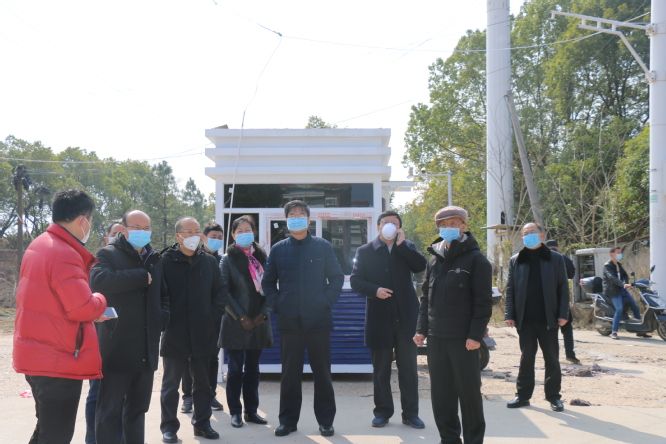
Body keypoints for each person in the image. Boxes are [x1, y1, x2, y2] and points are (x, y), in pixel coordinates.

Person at [13, 190, 108, 444]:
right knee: (56, 435)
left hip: (40, 354)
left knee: (46, 431)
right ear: (83, 220)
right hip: (58, 359)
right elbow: (83, 308)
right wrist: (100, 298)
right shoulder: (65, 253)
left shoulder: (40, 244)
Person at [262, 200, 344, 438]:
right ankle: (287, 421)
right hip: (290, 323)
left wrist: (325, 301)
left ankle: (326, 421)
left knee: (322, 374)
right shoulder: (278, 249)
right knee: (289, 374)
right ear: (286, 219)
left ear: (309, 220)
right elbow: (268, 282)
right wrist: (279, 305)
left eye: (301, 214)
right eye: (292, 214)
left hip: (319, 321)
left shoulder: (322, 246)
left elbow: (336, 278)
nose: (296, 217)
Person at [413, 206, 492, 444]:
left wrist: (475, 336)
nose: (449, 228)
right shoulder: (434, 259)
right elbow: (426, 297)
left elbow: (483, 302)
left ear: (464, 226)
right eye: (444, 225)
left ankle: (474, 440)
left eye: (454, 224)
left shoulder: (477, 260)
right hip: (437, 338)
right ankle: (448, 439)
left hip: (464, 340)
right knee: (441, 395)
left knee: (469, 395)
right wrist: (421, 329)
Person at [90, 210, 167, 444]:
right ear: (123, 229)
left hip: (146, 350)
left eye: (146, 228)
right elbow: (98, 281)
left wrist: (162, 319)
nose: (142, 232)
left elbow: (164, 295)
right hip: (117, 349)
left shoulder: (154, 258)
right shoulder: (108, 254)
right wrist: (139, 276)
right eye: (136, 227)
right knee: (109, 412)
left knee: (137, 411)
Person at [351, 210, 427, 429]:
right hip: (379, 318)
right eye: (386, 222)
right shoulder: (365, 251)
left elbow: (420, 266)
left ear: (399, 228)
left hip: (406, 318)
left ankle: (410, 414)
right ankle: (382, 412)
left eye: (394, 223)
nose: (390, 226)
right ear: (378, 226)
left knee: (409, 369)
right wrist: (375, 290)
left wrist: (402, 246)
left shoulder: (407, 247)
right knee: (381, 369)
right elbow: (356, 280)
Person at [159, 217, 224, 443]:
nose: (194, 235)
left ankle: (202, 424)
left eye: (197, 231)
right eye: (189, 231)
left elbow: (220, 294)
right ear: (178, 236)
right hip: (174, 332)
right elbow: (159, 295)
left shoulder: (209, 262)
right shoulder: (164, 261)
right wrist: (165, 319)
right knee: (170, 385)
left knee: (203, 383)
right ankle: (169, 427)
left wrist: (212, 318)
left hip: (203, 332)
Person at [505, 222, 569, 412]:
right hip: (525, 319)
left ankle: (554, 397)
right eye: (525, 233)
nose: (528, 235)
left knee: (552, 359)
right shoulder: (516, 259)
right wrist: (509, 314)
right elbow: (510, 289)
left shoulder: (555, 259)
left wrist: (563, 313)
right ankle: (522, 396)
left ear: (542, 235)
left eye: (532, 232)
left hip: (549, 318)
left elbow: (563, 288)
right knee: (526, 358)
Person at [219, 215, 273, 428]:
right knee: (234, 370)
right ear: (233, 235)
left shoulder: (262, 257)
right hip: (235, 322)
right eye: (239, 231)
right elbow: (224, 292)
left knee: (253, 369)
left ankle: (251, 411)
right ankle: (235, 412)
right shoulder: (227, 259)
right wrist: (241, 316)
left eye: (247, 230)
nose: (244, 233)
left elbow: (271, 287)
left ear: (254, 232)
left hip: (258, 322)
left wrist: (262, 314)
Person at [85, 220, 125, 444]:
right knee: (97, 393)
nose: (120, 238)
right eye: (115, 233)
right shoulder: (96, 264)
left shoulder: (134, 263)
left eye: (124, 234)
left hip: (127, 340)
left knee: (122, 397)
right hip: (100, 338)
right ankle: (93, 439)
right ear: (106, 237)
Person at [181, 222, 226, 414]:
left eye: (220, 237)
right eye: (213, 236)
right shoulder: (194, 257)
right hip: (190, 320)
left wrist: (214, 314)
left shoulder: (221, 260)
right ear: (203, 237)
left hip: (213, 320)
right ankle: (188, 397)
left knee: (212, 358)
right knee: (188, 358)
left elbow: (221, 292)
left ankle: (210, 394)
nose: (216, 240)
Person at [545, 239, 580, 364]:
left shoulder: (542, 259)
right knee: (567, 329)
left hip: (547, 300)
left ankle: (553, 357)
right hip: (562, 298)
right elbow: (572, 274)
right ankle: (570, 354)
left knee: (550, 331)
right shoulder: (563, 258)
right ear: (557, 246)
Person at [603, 247, 642, 340]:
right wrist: (623, 284)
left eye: (620, 253)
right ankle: (614, 332)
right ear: (611, 254)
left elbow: (625, 275)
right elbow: (612, 278)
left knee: (635, 306)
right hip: (613, 291)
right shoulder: (607, 266)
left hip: (622, 290)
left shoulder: (618, 265)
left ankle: (640, 330)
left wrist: (626, 283)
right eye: (618, 253)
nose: (620, 254)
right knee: (619, 309)